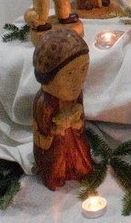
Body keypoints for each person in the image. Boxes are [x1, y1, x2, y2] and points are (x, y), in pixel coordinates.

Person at [32, 28, 93, 191]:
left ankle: (78, 169)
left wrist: (78, 124)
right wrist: (57, 128)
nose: (78, 80)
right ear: (48, 78)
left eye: (84, 69)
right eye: (69, 73)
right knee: (57, 162)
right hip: (55, 148)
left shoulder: (77, 94)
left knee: (82, 157)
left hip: (74, 142)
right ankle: (57, 175)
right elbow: (42, 136)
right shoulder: (44, 103)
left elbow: (81, 122)